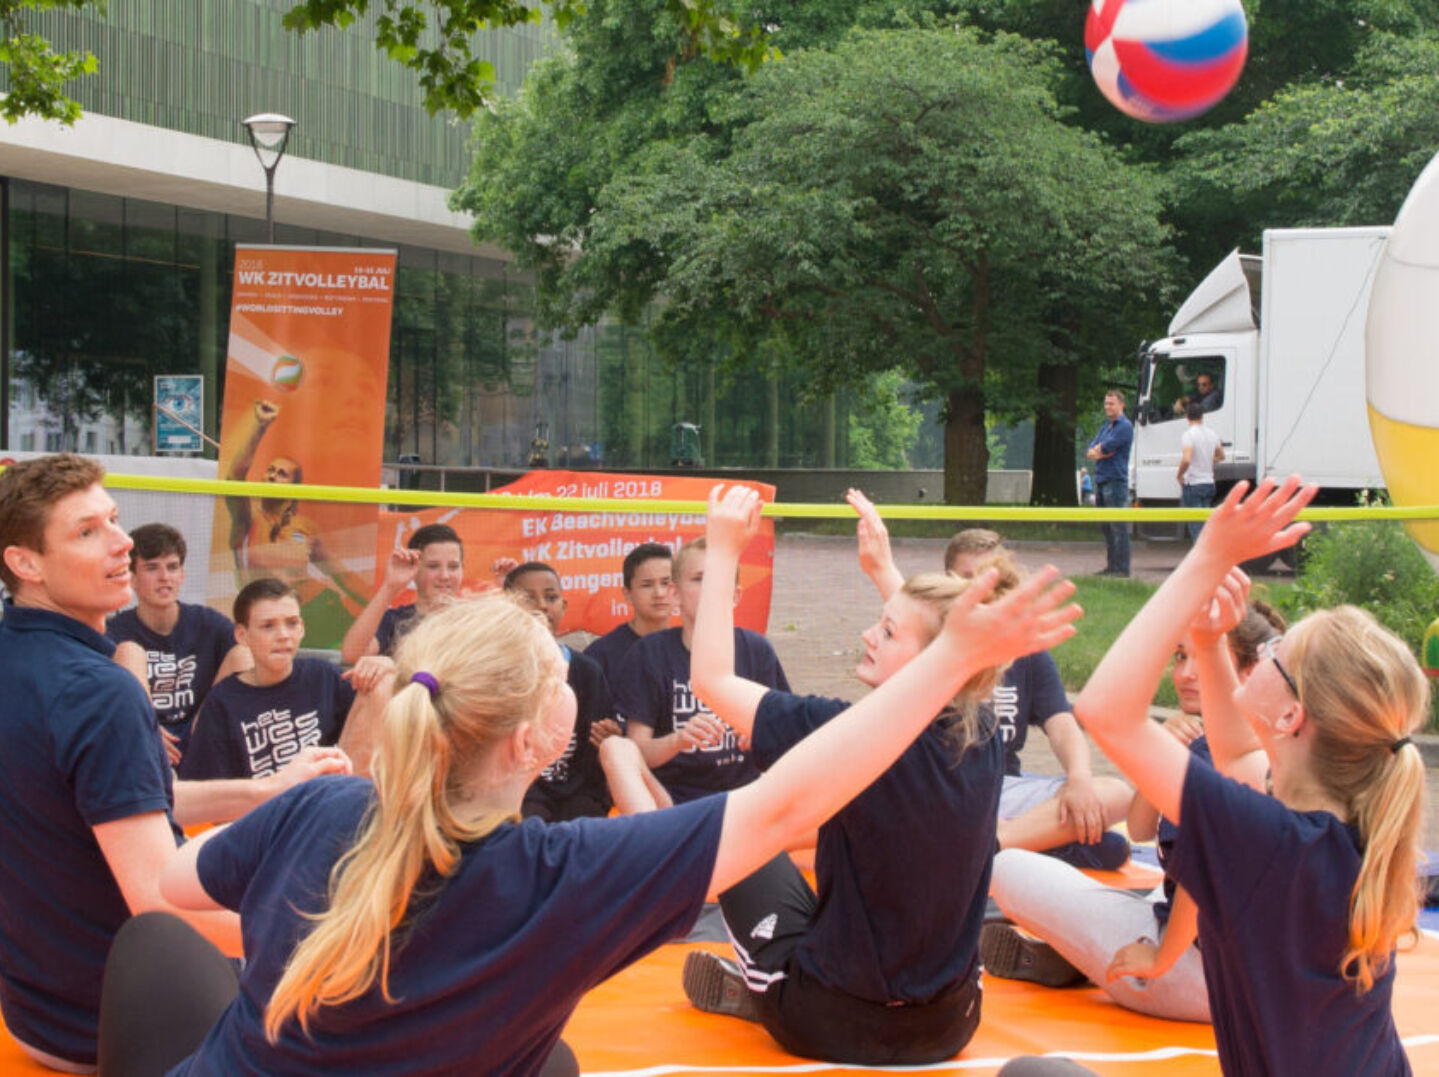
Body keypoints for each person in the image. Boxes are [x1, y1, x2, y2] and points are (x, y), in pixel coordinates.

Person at [98, 485, 1079, 1077]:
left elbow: (169, 888)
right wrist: (954, 658)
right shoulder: (563, 880)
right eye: (559, 670)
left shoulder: (322, 804)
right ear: (535, 741)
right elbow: (784, 803)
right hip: (926, 1010)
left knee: (151, 946)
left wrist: (292, 880)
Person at [680, 490, 1066, 1066]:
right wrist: (884, 571)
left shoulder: (847, 732)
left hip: (832, 1023)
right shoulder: (982, 731)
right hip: (951, 1024)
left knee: (738, 832)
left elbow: (711, 679)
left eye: (886, 632)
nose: (868, 635)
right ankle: (781, 979)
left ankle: (768, 994)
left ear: (927, 657)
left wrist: (723, 552)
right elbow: (949, 656)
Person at [0, 454, 348, 1072]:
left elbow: (122, 799)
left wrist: (268, 789)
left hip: (35, 1014)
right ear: (25, 563)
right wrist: (341, 934)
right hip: (111, 1029)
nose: (122, 543)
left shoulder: (23, 658)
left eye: (113, 519)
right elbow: (159, 901)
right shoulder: (100, 691)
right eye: (87, 532)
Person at [1070, 477, 1424, 1075]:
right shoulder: (1342, 819)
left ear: (1291, 716)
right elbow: (1236, 757)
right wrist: (1210, 644)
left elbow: (1105, 710)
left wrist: (1206, 557)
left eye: (1275, 654)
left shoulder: (1270, 841)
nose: (1262, 651)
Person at [983, 602, 1285, 1021]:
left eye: (1204, 658)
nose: (1186, 674)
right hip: (1271, 983)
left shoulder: (1225, 756)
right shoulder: (1286, 746)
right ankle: (1082, 954)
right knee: (1149, 871)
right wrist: (1165, 753)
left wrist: (1161, 958)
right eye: (1180, 657)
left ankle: (1085, 957)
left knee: (1006, 868)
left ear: (1250, 672)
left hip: (1198, 978)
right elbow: (1142, 827)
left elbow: (1206, 873)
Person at [853, 500, 1132, 870]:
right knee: (1106, 846)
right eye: (967, 579)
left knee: (1115, 794)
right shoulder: (935, 643)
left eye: (990, 579)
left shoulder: (1025, 652)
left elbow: (1062, 724)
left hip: (1003, 792)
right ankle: (1029, 843)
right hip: (941, 791)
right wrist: (882, 567)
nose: (980, 590)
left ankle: (993, 844)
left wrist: (1079, 780)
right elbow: (907, 610)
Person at [614, 536, 789, 805]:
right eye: (699, 579)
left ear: (736, 595)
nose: (711, 589)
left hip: (745, 798)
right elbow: (638, 753)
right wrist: (678, 740)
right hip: (673, 800)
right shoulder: (649, 654)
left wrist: (761, 736)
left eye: (720, 580)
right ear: (675, 594)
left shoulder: (756, 650)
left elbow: (788, 738)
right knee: (614, 749)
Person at [179, 578, 382, 783]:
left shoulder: (324, 677)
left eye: (292, 623)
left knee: (382, 683)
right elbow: (206, 789)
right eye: (268, 626)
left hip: (330, 796)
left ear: (302, 628)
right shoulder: (222, 703)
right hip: (267, 802)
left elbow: (375, 732)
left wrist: (384, 669)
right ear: (242, 635)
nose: (284, 635)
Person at [107, 523, 252, 765]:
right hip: (140, 735)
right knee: (127, 651)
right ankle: (148, 735)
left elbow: (252, 668)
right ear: (131, 578)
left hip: (201, 735)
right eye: (152, 568)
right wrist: (144, 728)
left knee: (242, 653)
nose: (164, 577)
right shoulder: (115, 630)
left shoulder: (208, 622)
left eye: (172, 567)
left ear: (181, 575)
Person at [223, 399, 369, 618]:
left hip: (319, 610)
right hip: (265, 613)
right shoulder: (247, 517)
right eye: (270, 470)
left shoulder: (305, 527)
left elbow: (344, 577)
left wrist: (381, 605)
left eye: (282, 474)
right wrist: (260, 426)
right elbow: (234, 477)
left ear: (294, 490)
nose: (272, 476)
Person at [504, 561, 615, 821]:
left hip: (578, 791)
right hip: (521, 790)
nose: (542, 605)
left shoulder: (587, 670)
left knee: (585, 822)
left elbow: (593, 748)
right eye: (529, 599)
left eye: (551, 597)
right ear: (508, 609)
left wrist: (610, 737)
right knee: (529, 821)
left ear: (564, 607)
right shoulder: (500, 669)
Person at [339, 523, 465, 664]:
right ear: (414, 569)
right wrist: (390, 587)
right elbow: (353, 655)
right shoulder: (395, 620)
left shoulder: (474, 620)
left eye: (453, 567)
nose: (444, 576)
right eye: (433, 566)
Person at [583, 541, 675, 683]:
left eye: (666, 583)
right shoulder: (600, 656)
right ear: (628, 594)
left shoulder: (690, 649)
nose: (659, 593)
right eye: (647, 585)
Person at [1085, 389, 1132, 577]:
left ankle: (1122, 568)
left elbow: (1107, 447)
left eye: (1111, 403)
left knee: (1118, 527)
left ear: (1122, 405)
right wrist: (1099, 451)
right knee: (1106, 527)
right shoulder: (1106, 426)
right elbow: (1091, 449)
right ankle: (1111, 567)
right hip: (1101, 479)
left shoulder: (1124, 426)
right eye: (1106, 403)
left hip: (1115, 481)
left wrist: (1101, 451)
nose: (1107, 407)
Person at [1178, 401, 1224, 543]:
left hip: (1194, 484)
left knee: (1196, 527)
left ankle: (1200, 554)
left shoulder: (1188, 435)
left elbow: (1186, 459)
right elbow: (1221, 455)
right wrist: (1210, 461)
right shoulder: (1212, 434)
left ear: (1187, 416)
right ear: (1202, 416)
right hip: (1209, 483)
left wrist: (1179, 475)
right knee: (1205, 526)